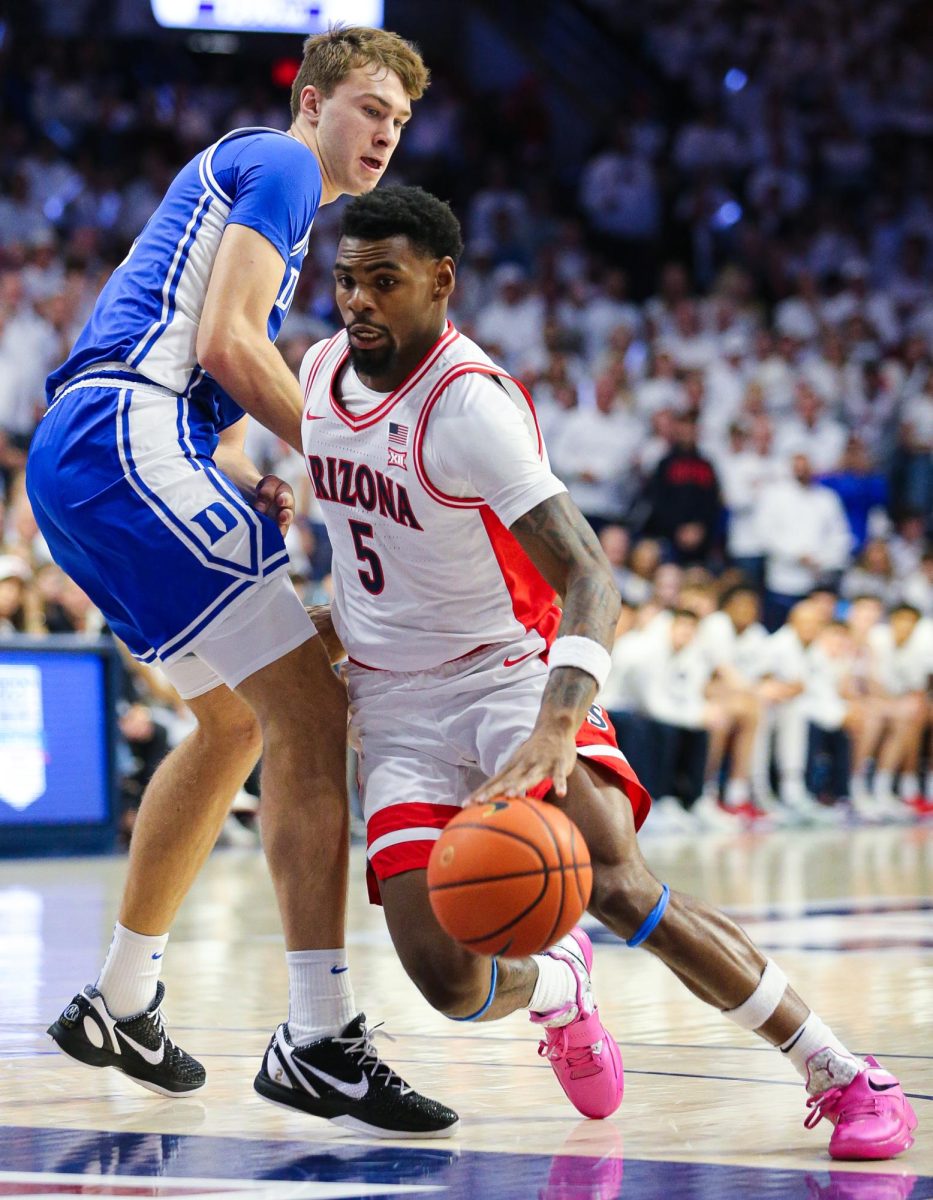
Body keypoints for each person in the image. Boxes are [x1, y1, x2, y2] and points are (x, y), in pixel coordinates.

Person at [295, 185, 916, 1157]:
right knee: (445, 979)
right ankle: (559, 986)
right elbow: (374, 548)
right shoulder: (320, 374)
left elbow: (592, 577)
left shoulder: (470, 407)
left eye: (385, 280)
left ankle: (837, 1068)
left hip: (507, 682)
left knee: (620, 888)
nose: (359, 302)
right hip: (397, 711)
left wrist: (551, 726)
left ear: (441, 282)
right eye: (345, 281)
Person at [29, 29, 458, 1138]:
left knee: (232, 722)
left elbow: (192, 356)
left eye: (400, 123)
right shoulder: (276, 162)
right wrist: (346, 455)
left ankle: (120, 999)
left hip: (97, 452)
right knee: (310, 704)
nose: (384, 135)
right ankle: (319, 1036)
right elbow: (222, 346)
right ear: (315, 103)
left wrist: (252, 472)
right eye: (369, 109)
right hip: (123, 440)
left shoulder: (257, 198)